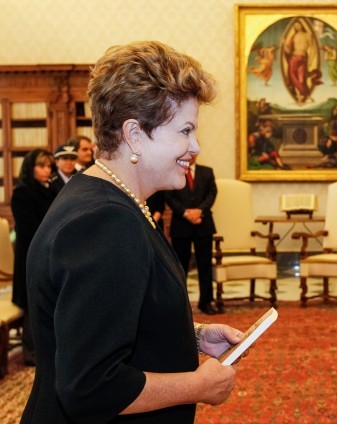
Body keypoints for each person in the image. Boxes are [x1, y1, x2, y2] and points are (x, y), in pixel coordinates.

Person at [23, 41, 243, 423]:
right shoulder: (106, 221)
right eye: (185, 130)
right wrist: (198, 386)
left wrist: (191, 335)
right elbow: (90, 387)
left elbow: (98, 321)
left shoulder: (102, 197)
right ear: (135, 134)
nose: (196, 146)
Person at [10, 148, 57, 366]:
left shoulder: (50, 190)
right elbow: (29, 229)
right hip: (31, 254)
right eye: (41, 166)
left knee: (47, 300)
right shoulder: (23, 192)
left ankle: (46, 349)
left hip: (50, 253)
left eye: (49, 166)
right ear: (30, 168)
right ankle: (31, 351)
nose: (46, 170)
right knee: (32, 302)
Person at [166, 154, 218, 315]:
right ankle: (181, 306)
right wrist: (186, 213)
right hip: (181, 225)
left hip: (203, 224)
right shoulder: (174, 170)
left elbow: (212, 193)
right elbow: (169, 196)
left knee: (205, 266)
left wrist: (200, 211)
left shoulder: (207, 172)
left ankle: (206, 302)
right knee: (180, 268)